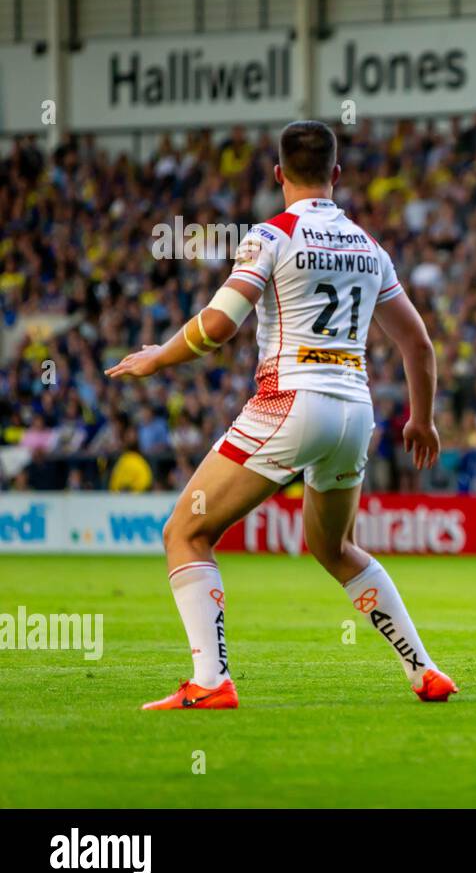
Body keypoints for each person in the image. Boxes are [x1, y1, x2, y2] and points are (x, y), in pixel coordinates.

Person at [106, 120, 457, 709]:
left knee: (185, 532)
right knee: (336, 548)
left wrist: (158, 358)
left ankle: (211, 682)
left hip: (290, 401)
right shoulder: (371, 248)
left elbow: (219, 326)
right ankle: (425, 670)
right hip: (355, 411)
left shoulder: (271, 235)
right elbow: (417, 345)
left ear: (278, 174)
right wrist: (421, 419)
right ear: (336, 176)